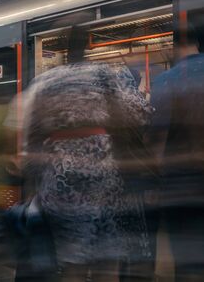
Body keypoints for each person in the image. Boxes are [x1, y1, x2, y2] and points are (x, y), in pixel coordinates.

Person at [22, 26, 153, 282]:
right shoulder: (103, 74)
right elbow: (133, 115)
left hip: (61, 181)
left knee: (73, 264)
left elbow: (33, 134)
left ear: (65, 49)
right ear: (88, 48)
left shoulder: (45, 82)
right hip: (103, 176)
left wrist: (36, 178)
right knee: (108, 261)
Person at [149, 21, 204, 281]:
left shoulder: (166, 80)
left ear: (175, 46)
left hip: (181, 184)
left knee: (186, 263)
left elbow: (158, 139)